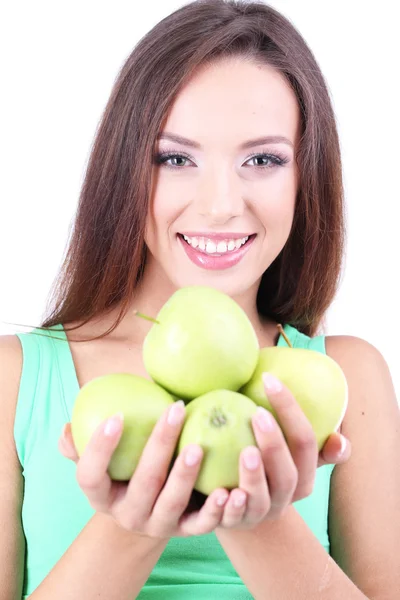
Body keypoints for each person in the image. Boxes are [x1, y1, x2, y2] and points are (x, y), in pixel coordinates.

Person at [1, 0, 399, 598]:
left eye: (262, 159)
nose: (219, 203)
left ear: (304, 178)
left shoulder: (347, 377)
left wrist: (258, 523)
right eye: (176, 158)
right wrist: (128, 525)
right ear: (126, 170)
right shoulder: (17, 378)